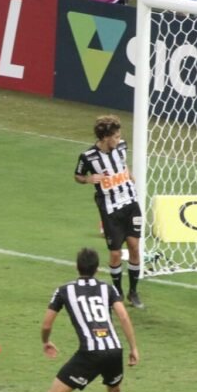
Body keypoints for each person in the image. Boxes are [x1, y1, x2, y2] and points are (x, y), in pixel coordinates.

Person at [39, 247, 140, 392]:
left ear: (77, 267)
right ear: (97, 268)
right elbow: (122, 315)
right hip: (114, 349)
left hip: (91, 352)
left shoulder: (64, 290)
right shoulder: (108, 288)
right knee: (114, 391)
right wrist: (133, 347)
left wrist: (45, 341)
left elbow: (47, 323)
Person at [75, 115, 144, 309]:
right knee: (115, 255)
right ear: (105, 137)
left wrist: (129, 174)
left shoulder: (121, 146)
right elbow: (78, 176)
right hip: (111, 210)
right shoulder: (88, 157)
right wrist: (89, 180)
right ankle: (118, 292)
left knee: (134, 247)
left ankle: (133, 292)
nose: (119, 138)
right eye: (115, 136)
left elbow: (122, 162)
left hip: (131, 203)